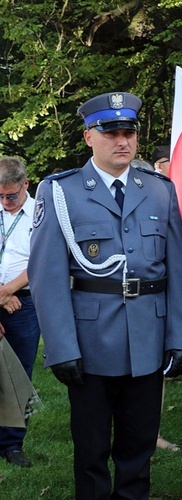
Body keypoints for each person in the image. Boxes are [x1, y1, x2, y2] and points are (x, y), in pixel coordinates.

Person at [28, 92, 182, 498]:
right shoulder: (61, 192)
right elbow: (46, 277)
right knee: (91, 451)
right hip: (91, 342)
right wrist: (62, 348)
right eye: (111, 133)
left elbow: (175, 268)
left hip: (147, 339)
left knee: (137, 452)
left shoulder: (159, 190)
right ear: (88, 137)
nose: (122, 141)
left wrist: (181, 335)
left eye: (129, 132)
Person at [0, 157, 40, 468]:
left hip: (22, 303)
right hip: (3, 298)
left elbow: (41, 260)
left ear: (25, 184)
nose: (5, 202)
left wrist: (9, 291)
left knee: (18, 374)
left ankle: (12, 444)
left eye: (10, 195)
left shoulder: (42, 213)